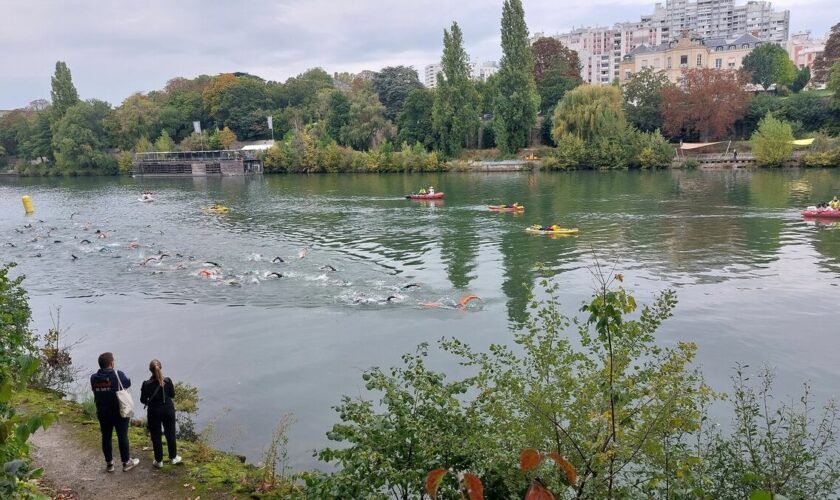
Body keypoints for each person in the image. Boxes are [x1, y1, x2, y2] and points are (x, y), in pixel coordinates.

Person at [90, 352, 140, 472]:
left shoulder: (94, 378)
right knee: (122, 436)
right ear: (111, 363)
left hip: (102, 412)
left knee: (106, 437)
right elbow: (127, 383)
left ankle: (109, 464)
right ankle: (126, 462)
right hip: (119, 412)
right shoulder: (118, 374)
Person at [140, 359, 182, 468]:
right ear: (161, 368)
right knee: (170, 433)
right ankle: (173, 458)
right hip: (168, 409)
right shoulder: (167, 381)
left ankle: (159, 461)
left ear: (150, 370)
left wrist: (151, 401)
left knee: (156, 436)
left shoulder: (146, 384)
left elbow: (143, 400)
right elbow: (172, 395)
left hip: (154, 411)